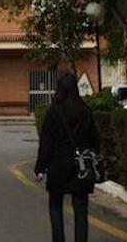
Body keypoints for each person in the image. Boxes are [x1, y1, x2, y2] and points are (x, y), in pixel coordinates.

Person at [34, 72, 100, 242]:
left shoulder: (54, 110)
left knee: (55, 205)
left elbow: (46, 141)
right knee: (81, 208)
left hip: (58, 165)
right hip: (81, 166)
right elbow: (94, 138)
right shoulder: (85, 109)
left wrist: (40, 168)